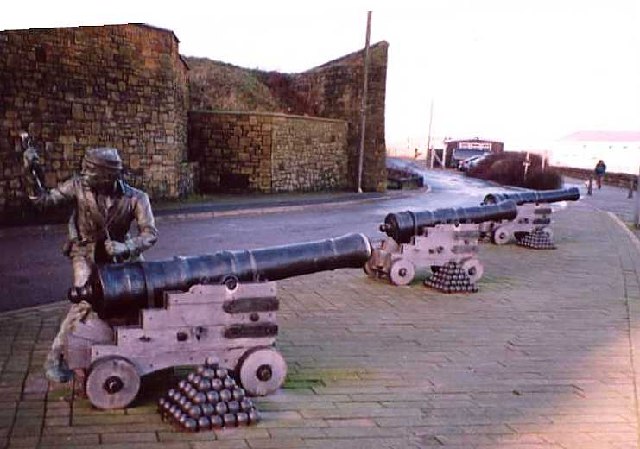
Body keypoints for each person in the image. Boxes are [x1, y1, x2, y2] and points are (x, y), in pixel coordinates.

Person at [22, 135, 158, 382]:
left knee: (144, 293)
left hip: (120, 253)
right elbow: (42, 201)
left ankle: (139, 349)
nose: (84, 175)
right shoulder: (77, 186)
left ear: (108, 175)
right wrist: (32, 173)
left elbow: (149, 234)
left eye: (89, 171)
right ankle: (55, 358)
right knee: (84, 302)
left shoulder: (137, 198)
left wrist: (126, 247)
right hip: (85, 252)